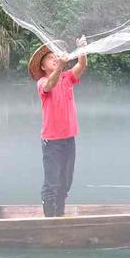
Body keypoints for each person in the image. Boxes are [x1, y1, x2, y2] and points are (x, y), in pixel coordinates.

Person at [30, 38, 87, 217]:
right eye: (50, 59)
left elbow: (82, 65)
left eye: (56, 57)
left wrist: (82, 48)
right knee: (52, 183)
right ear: (43, 67)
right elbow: (50, 85)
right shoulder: (42, 83)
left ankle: (60, 217)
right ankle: (49, 223)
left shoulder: (67, 78)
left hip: (69, 139)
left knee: (65, 182)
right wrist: (60, 66)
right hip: (52, 142)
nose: (54, 59)